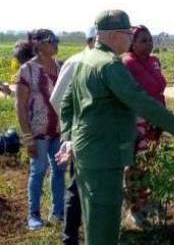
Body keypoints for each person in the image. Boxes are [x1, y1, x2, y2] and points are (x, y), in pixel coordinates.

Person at [58, 9, 174, 245]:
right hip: (104, 153)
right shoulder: (110, 65)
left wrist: (68, 137)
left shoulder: (86, 58)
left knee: (93, 214)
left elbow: (67, 102)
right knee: (104, 219)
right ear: (112, 36)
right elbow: (138, 99)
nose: (130, 39)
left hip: (87, 150)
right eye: (128, 34)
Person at [15, 29, 65, 230]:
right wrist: (28, 138)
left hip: (59, 130)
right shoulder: (26, 71)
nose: (56, 43)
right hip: (38, 132)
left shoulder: (61, 66)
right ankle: (33, 214)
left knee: (59, 170)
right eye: (51, 40)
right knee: (38, 171)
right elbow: (20, 105)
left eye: (56, 39)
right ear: (37, 44)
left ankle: (57, 212)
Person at [50, 25, 96, 245]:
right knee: (77, 187)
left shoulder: (106, 65)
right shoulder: (77, 62)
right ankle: (70, 238)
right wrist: (73, 130)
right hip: (80, 138)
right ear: (91, 41)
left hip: (99, 139)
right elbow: (58, 99)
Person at [121, 24, 167, 224]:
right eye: (143, 40)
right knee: (135, 166)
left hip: (155, 121)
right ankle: (134, 208)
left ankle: (147, 201)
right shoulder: (126, 63)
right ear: (131, 43)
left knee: (150, 162)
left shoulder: (154, 61)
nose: (149, 44)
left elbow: (159, 89)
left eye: (150, 40)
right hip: (137, 123)